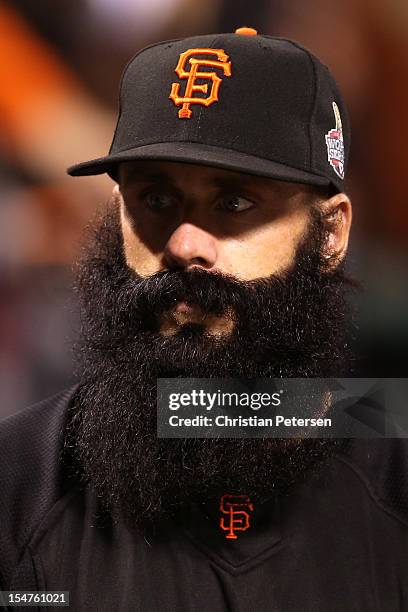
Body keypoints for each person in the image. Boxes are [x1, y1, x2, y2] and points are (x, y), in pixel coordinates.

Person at [1, 27, 407, 612]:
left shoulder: (392, 468)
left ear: (331, 233)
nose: (186, 242)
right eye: (156, 200)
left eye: (235, 203)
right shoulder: (18, 485)